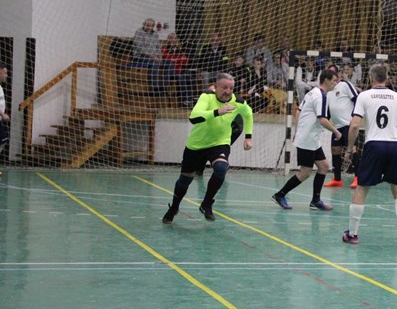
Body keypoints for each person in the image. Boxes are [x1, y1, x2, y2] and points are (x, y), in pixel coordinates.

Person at [162, 72, 254, 224]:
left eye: (231, 88)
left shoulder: (238, 102)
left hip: (219, 143)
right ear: (215, 87)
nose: (228, 91)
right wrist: (217, 112)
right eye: (224, 87)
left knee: (221, 168)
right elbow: (193, 117)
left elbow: (248, 114)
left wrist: (248, 137)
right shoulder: (206, 97)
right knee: (185, 180)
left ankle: (207, 203)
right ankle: (174, 207)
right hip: (196, 145)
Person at [341, 63, 397, 246]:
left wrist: (349, 149)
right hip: (394, 145)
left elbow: (354, 125)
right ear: (387, 78)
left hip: (374, 145)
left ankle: (353, 234)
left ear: (370, 78)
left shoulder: (364, 96)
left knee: (362, 188)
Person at [271, 69, 342, 211]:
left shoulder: (312, 92)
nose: (336, 83)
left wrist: (299, 129)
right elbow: (322, 120)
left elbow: (299, 111)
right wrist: (336, 132)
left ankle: (316, 201)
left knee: (324, 167)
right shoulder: (321, 96)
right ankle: (280, 194)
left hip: (311, 138)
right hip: (307, 139)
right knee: (305, 172)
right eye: (334, 80)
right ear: (326, 80)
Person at [324, 64, 360, 188]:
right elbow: (329, 110)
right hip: (336, 127)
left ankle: (358, 178)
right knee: (335, 150)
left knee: (353, 150)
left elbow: (357, 99)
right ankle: (337, 179)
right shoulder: (328, 91)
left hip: (348, 125)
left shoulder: (345, 85)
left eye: (333, 73)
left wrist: (355, 117)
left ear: (337, 74)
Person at [131, 18, 173, 95]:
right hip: (141, 57)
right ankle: (155, 88)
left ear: (153, 26)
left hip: (155, 57)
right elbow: (140, 48)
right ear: (144, 24)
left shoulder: (155, 34)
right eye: (147, 25)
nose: (148, 27)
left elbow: (158, 47)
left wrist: (160, 57)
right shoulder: (139, 32)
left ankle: (164, 87)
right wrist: (153, 57)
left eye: (150, 26)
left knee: (169, 63)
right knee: (154, 63)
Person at [0, 63, 9, 177]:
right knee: (3, 140)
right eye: (5, 73)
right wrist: (2, 114)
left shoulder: (1, 87)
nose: (6, 75)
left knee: (3, 141)